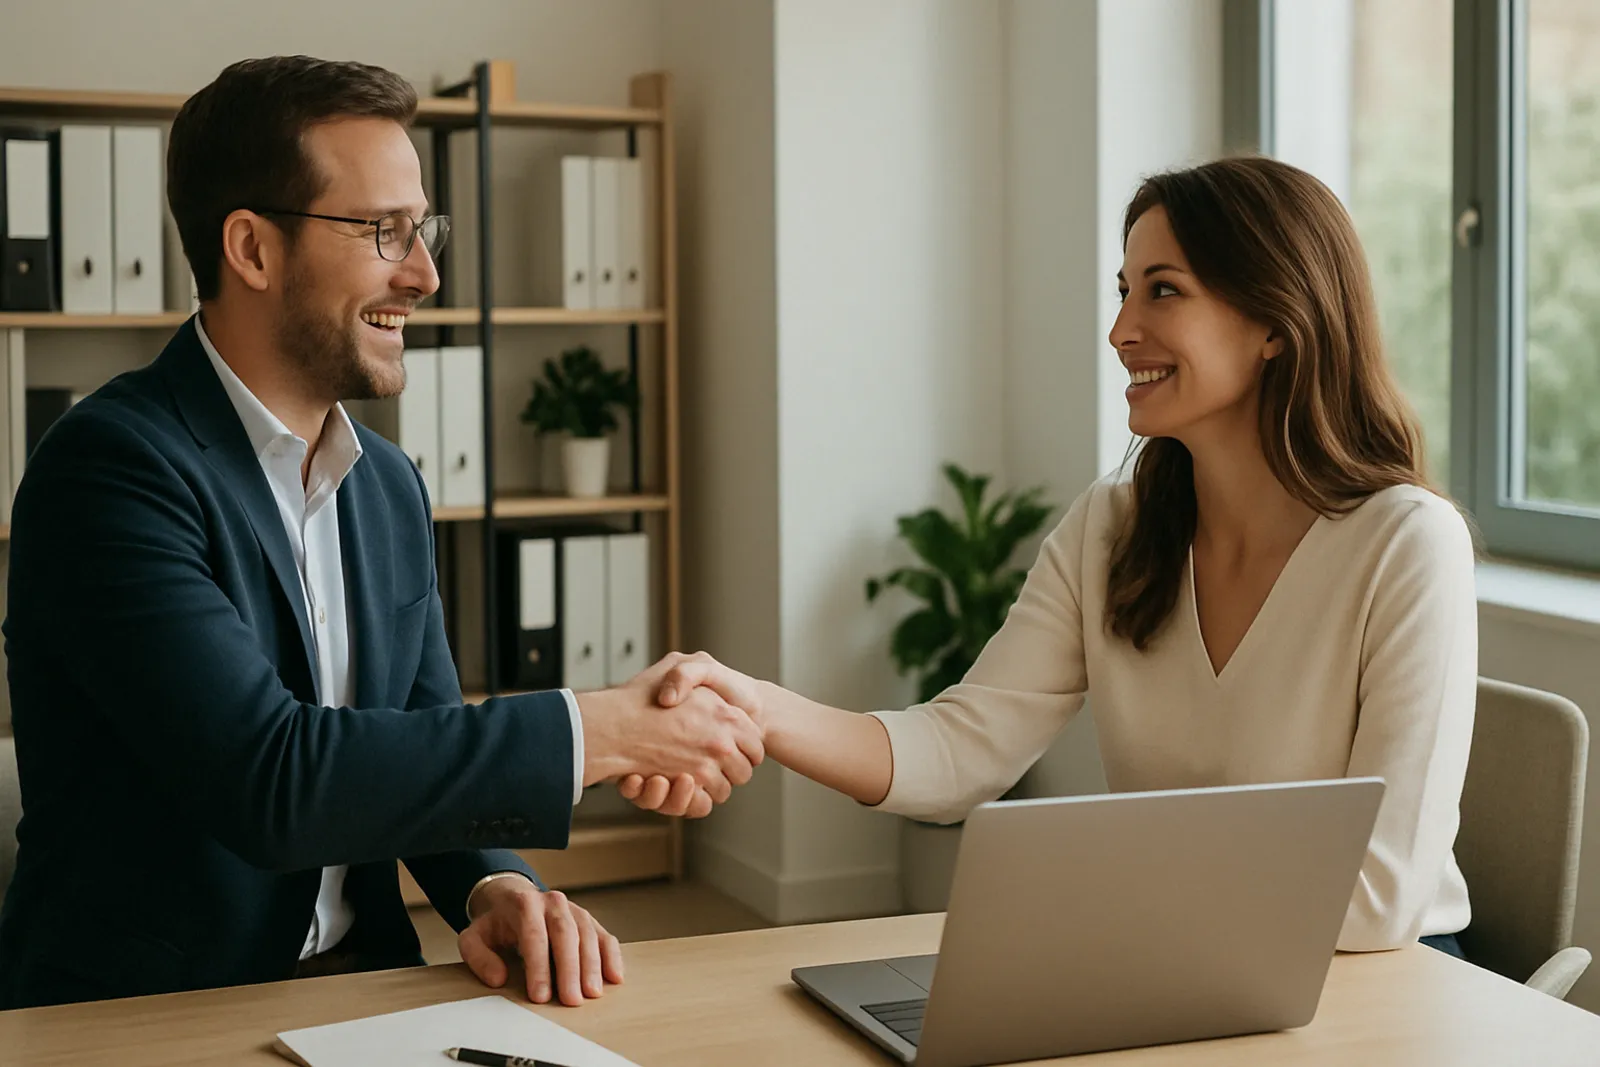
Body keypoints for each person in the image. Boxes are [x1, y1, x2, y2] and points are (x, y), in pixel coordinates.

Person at [0, 55, 762, 1011]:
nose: (425, 273)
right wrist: (601, 729)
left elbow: (410, 744)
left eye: (422, 229)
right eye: (382, 231)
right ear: (252, 249)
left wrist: (496, 886)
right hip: (149, 1015)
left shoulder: (388, 485)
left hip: (362, 990)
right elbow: (274, 779)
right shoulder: (110, 470)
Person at [625, 157, 1478, 957]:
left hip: (1377, 981)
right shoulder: (1112, 527)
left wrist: (1105, 882)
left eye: (1163, 291)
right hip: (1184, 955)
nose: (1120, 330)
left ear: (1274, 326)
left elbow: (1379, 898)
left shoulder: (1406, 545)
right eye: (1124, 292)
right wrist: (756, 706)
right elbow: (958, 751)